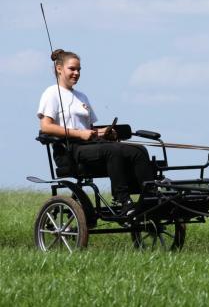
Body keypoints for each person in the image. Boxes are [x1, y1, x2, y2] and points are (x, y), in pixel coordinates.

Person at [37, 49, 155, 215]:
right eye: (72, 69)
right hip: (70, 150)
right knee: (112, 150)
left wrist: (105, 132)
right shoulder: (51, 93)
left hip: (91, 146)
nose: (76, 73)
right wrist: (78, 134)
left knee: (138, 150)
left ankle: (149, 197)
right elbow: (46, 127)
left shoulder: (81, 97)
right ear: (59, 68)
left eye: (79, 70)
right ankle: (124, 200)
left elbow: (90, 130)